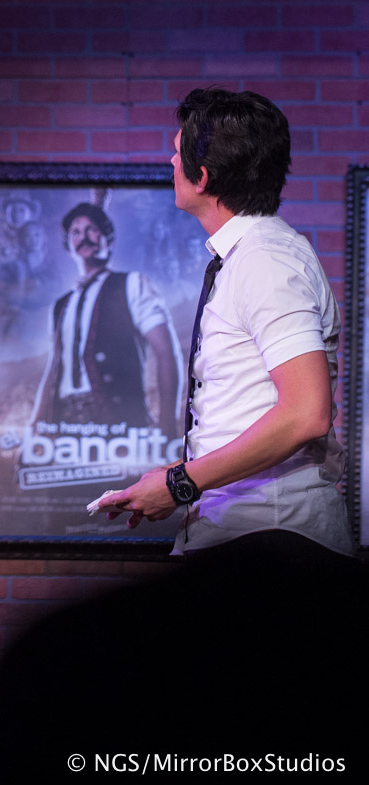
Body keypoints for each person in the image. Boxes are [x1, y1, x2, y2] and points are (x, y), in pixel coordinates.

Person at [96, 88, 356, 561]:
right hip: (247, 536)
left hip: (273, 541)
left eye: (177, 153)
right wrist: (177, 476)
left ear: (203, 177)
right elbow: (249, 407)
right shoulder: (247, 256)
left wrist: (179, 484)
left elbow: (307, 412)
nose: (170, 162)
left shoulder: (266, 260)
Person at [31, 201, 182, 435]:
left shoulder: (132, 284)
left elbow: (166, 352)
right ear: (68, 246)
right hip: (64, 426)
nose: (83, 237)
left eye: (91, 229)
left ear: (108, 239)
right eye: (75, 232)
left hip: (120, 423)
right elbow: (53, 369)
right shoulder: (61, 305)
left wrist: (167, 427)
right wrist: (34, 428)